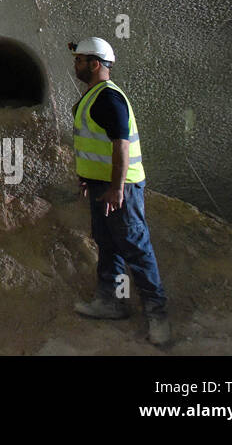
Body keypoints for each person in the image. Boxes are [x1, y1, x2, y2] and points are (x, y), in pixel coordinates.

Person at [68, 37, 170, 346]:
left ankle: (158, 317)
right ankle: (110, 302)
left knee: (136, 247)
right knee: (107, 243)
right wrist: (90, 178)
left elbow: (121, 147)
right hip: (103, 186)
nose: (76, 65)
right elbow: (94, 145)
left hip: (121, 188)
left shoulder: (109, 98)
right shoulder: (93, 96)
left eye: (80, 60)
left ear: (95, 64)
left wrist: (116, 187)